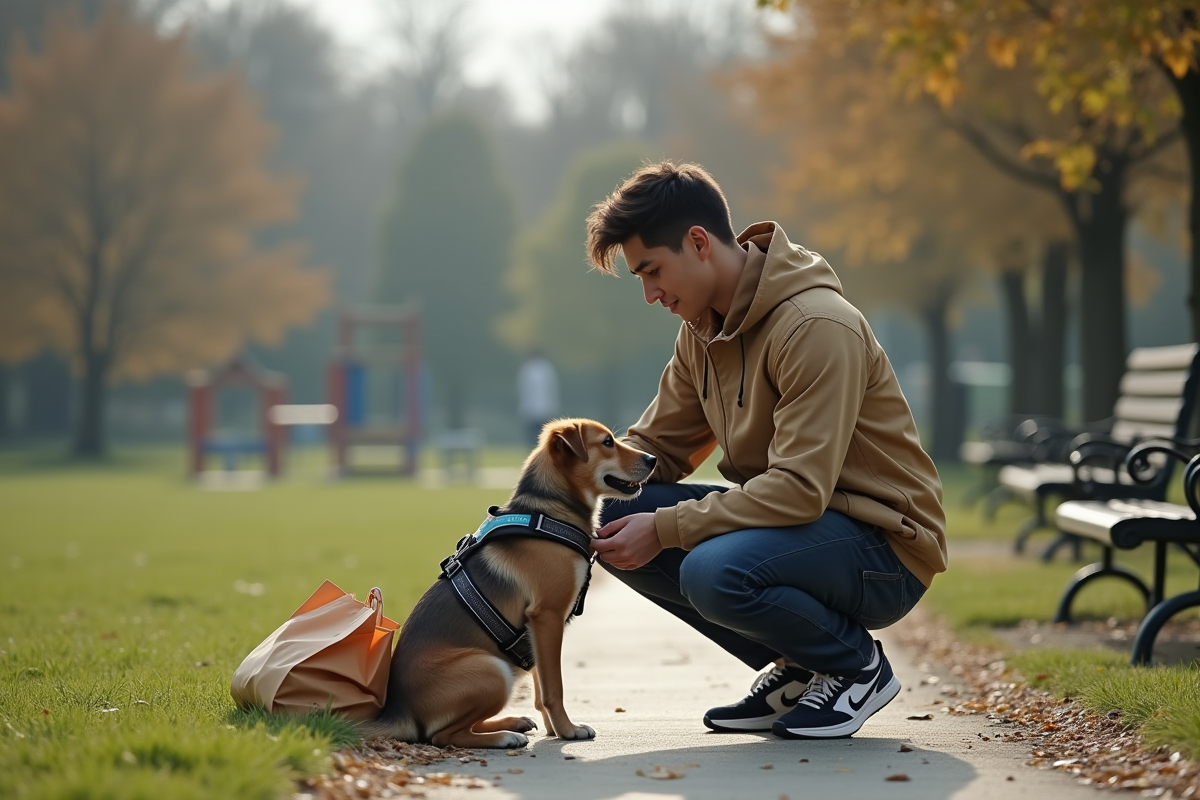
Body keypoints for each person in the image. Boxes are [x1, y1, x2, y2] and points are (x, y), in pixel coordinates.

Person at [585, 162, 946, 740]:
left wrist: (670, 526)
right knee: (618, 511)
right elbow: (654, 451)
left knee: (709, 569)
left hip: (883, 548)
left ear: (698, 243)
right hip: (801, 533)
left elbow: (801, 491)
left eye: (652, 271)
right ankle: (803, 669)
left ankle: (854, 666)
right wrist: (555, 500)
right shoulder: (701, 331)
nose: (650, 295)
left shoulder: (816, 326)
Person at [517, 349, 560, 447]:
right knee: (538, 438)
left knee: (536, 438)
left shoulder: (529, 370)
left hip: (538, 411)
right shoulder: (546, 369)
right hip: (540, 410)